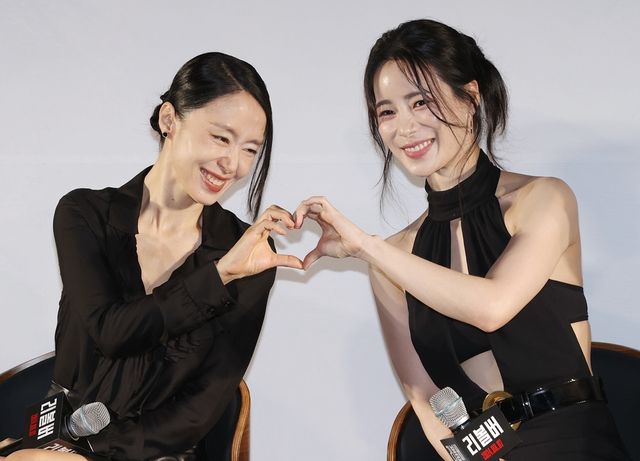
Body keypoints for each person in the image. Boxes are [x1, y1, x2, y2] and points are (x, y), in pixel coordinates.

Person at [294, 19, 630, 460]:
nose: (405, 128)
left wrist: (366, 247)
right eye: (387, 112)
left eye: (421, 102)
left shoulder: (542, 198)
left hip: (574, 444)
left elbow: (492, 307)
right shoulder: (394, 257)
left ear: (470, 97)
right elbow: (426, 397)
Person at [4, 52, 301, 461]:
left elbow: (200, 407)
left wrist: (89, 453)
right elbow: (110, 330)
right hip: (59, 435)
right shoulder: (84, 215)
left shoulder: (248, 253)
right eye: (221, 138)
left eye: (250, 149)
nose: (233, 164)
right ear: (169, 120)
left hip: (155, 451)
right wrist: (216, 277)